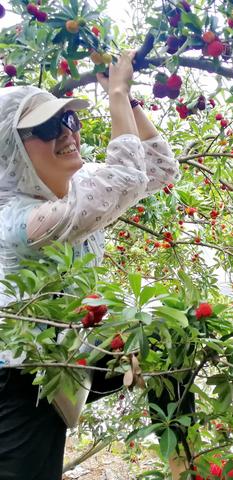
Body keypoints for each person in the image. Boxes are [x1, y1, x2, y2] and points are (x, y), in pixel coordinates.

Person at [0, 51, 180, 480]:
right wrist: (115, 95)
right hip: (14, 385)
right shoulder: (18, 219)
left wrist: (129, 101)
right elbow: (123, 180)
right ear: (11, 149)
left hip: (54, 372)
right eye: (47, 127)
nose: (67, 134)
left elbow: (157, 167)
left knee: (169, 331)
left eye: (70, 121)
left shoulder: (68, 193)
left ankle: (182, 454)